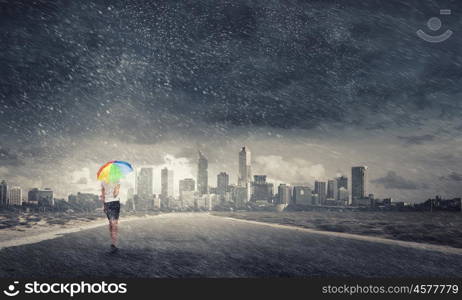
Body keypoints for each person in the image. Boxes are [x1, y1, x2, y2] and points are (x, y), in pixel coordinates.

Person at [100, 180, 121, 253]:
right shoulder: (117, 180)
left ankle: (113, 241)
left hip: (107, 203)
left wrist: (103, 206)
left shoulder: (103, 181)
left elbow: (102, 196)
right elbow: (115, 194)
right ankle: (113, 243)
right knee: (114, 223)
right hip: (115, 203)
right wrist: (116, 187)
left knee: (111, 223)